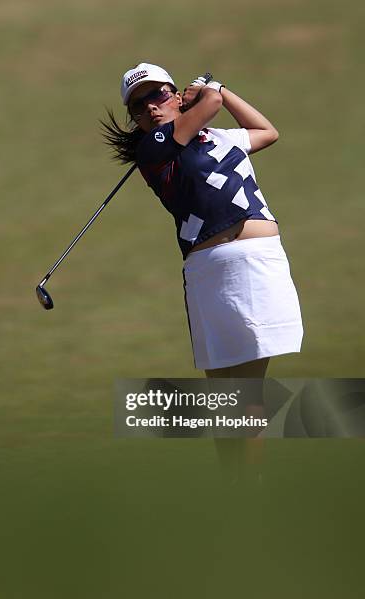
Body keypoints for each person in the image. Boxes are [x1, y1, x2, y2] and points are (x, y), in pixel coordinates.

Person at [102, 62, 303, 380]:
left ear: (177, 96)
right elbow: (212, 104)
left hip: (260, 259)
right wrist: (211, 92)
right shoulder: (151, 149)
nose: (151, 107)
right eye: (139, 106)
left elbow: (267, 132)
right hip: (211, 271)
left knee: (244, 393)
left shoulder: (221, 137)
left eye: (157, 95)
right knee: (232, 396)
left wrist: (221, 89)